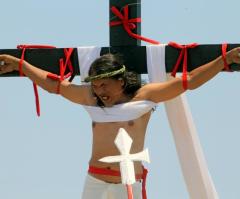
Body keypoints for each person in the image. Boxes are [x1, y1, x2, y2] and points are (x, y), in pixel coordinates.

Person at [0, 48, 240, 199]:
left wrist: (224, 59)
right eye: (95, 84)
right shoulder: (90, 98)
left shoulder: (146, 96)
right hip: (94, 180)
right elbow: (55, 85)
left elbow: (190, 81)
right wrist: (21, 65)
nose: (99, 90)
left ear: (122, 81)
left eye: (104, 84)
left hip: (128, 182)